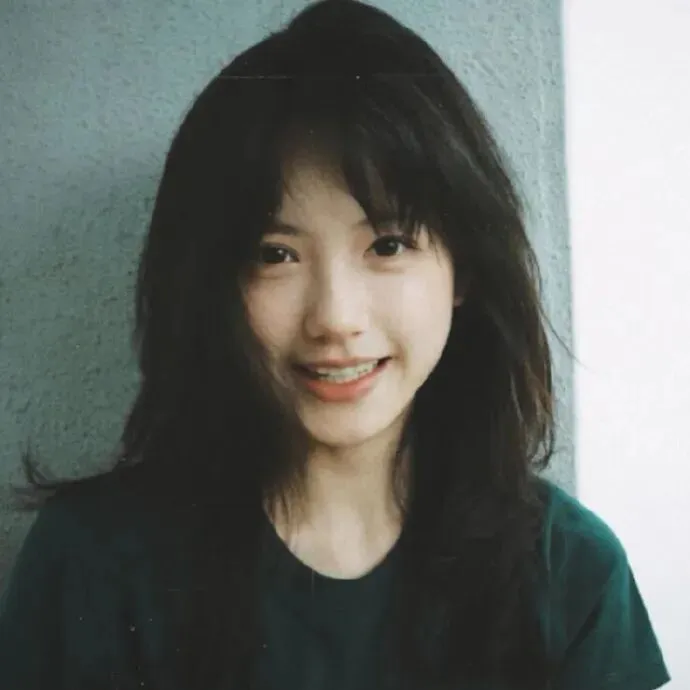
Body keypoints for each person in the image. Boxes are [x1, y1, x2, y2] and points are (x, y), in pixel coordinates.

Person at [0, 1, 670, 689]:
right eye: (275, 254)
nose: (335, 318)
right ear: (212, 281)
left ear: (464, 268)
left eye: (388, 244)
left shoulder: (572, 574)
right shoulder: (94, 567)